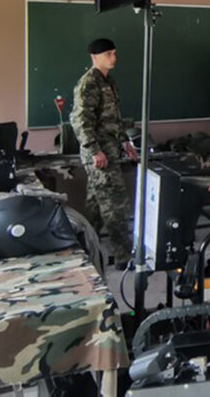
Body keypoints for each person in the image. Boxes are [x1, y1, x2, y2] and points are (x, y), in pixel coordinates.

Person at [70, 37, 139, 267]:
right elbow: (80, 120)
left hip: (110, 150)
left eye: (114, 53)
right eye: (108, 54)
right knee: (116, 205)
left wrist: (125, 142)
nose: (113, 58)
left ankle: (80, 250)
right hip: (100, 155)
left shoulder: (108, 81)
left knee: (96, 206)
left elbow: (113, 119)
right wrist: (94, 151)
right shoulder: (89, 83)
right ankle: (124, 257)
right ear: (94, 57)